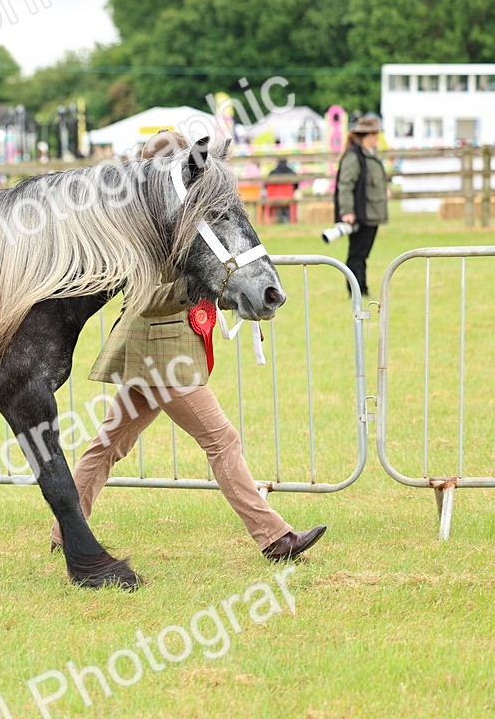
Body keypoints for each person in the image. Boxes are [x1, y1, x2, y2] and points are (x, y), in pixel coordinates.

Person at [49, 130, 326, 563]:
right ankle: (275, 538)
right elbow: (145, 297)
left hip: (154, 354)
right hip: (164, 357)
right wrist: (206, 286)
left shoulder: (180, 218)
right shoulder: (152, 225)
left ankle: (65, 530)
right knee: (222, 440)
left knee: (108, 445)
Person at [334, 116, 389, 296]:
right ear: (369, 135)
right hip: (360, 214)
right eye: (376, 134)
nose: (377, 137)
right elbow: (345, 185)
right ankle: (356, 290)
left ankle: (362, 288)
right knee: (357, 255)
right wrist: (347, 211)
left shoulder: (368, 155)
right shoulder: (354, 156)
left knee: (362, 255)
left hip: (371, 213)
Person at [265, 158, 298, 224]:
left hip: (273, 197)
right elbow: (296, 186)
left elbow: (266, 185)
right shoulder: (291, 172)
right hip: (288, 196)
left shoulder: (272, 173)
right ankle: (290, 219)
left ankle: (271, 219)